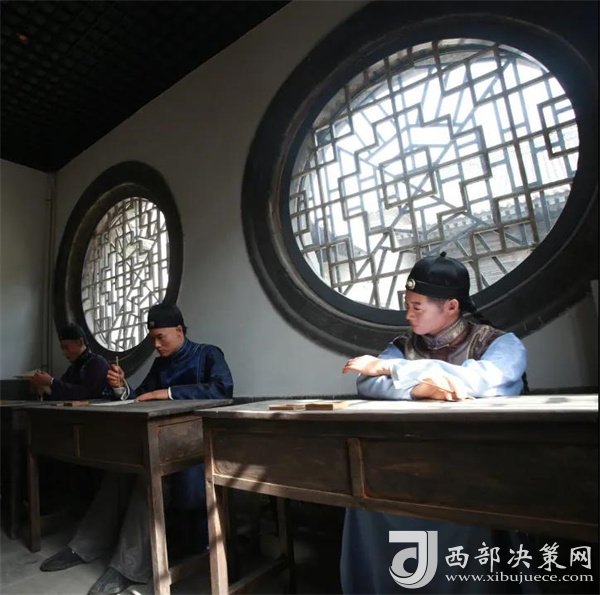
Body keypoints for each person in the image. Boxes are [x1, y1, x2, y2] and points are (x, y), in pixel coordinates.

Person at [340, 252, 532, 594]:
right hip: (410, 459)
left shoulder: (500, 344)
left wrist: (394, 370)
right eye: (407, 305)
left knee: (465, 512)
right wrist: (421, 390)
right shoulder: (402, 346)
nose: (408, 314)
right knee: (364, 504)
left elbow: (486, 380)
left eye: (417, 306)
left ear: (452, 306)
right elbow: (366, 382)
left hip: (477, 462)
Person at [39, 303, 234, 595]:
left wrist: (167, 393)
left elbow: (223, 388)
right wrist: (121, 386)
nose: (156, 345)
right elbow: (139, 396)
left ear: (179, 331)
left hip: (192, 454)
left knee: (147, 478)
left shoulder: (208, 354)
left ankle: (127, 568)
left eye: (160, 337)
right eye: (152, 339)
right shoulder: (160, 364)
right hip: (158, 445)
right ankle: (83, 547)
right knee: (120, 472)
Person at [29, 323, 110, 400]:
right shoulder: (72, 369)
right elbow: (65, 392)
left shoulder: (97, 363)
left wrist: (51, 381)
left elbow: (87, 393)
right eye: (62, 348)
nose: (64, 353)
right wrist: (44, 389)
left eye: (66, 347)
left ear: (80, 342)